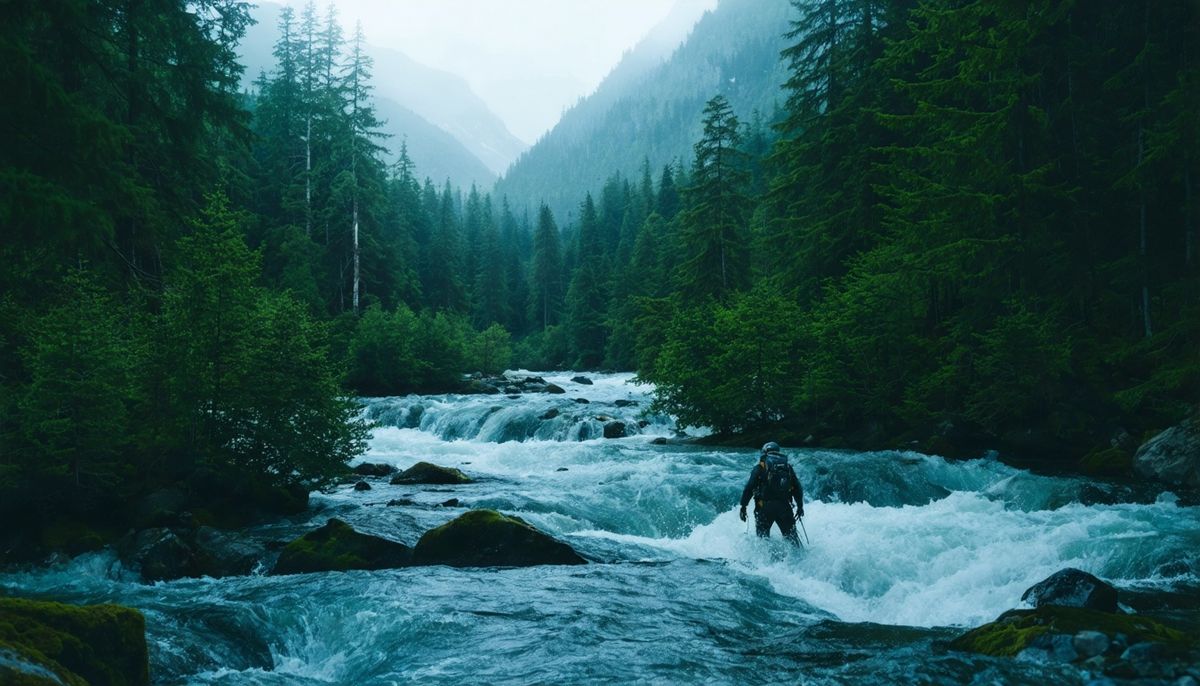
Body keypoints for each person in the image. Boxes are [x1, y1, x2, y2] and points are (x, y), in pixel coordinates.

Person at [738, 441, 804, 546]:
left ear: (764, 452)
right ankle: (800, 560)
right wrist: (800, 507)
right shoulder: (787, 467)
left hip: (764, 507)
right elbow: (797, 488)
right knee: (792, 539)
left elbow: (749, 488)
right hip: (784, 506)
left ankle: (764, 562)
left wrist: (743, 506)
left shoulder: (760, 467)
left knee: (762, 540)